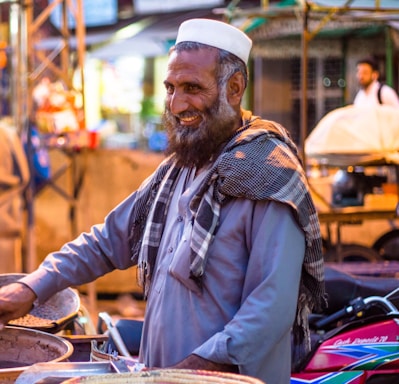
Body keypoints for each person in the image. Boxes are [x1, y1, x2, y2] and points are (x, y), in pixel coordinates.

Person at [0, 19, 326, 384]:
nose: (176, 103)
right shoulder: (177, 170)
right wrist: (31, 287)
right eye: (170, 88)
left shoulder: (268, 174)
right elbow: (107, 241)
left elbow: (269, 313)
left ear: (234, 89)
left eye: (192, 88)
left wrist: (189, 373)